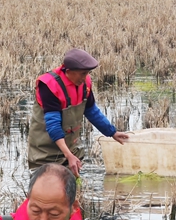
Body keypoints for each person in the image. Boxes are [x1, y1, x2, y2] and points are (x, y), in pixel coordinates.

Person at [27, 48, 130, 176]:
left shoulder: (84, 84)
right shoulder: (49, 85)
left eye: (87, 73)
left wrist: (112, 132)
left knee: (73, 189)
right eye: (82, 73)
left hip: (69, 148)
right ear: (69, 71)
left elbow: (92, 111)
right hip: (45, 151)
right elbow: (53, 125)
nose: (85, 77)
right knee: (48, 188)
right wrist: (68, 155)